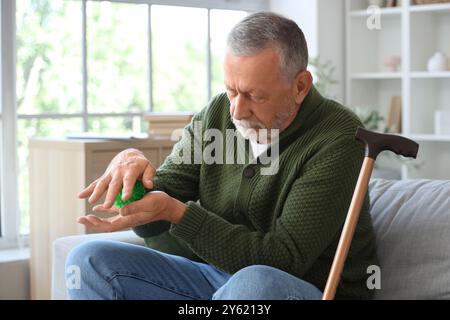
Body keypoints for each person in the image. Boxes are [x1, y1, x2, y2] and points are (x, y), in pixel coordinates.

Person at [67, 12, 378, 300]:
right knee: (88, 261)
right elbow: (167, 193)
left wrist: (178, 214)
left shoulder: (339, 137)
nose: (237, 111)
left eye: (256, 96)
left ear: (300, 86)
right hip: (217, 280)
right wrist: (133, 172)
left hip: (301, 289)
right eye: (232, 90)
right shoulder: (218, 113)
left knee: (256, 284)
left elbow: (284, 259)